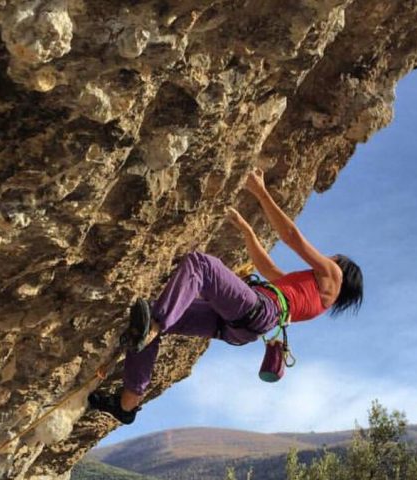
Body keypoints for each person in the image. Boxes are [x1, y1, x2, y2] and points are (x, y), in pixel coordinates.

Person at [88, 167, 364, 424]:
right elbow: (267, 268)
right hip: (243, 328)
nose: (325, 258)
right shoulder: (311, 297)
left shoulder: (333, 275)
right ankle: (128, 403)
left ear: (340, 266)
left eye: (331, 258)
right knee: (149, 313)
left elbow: (292, 237)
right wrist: (246, 230)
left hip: (260, 310)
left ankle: (156, 326)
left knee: (200, 265)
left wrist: (260, 192)